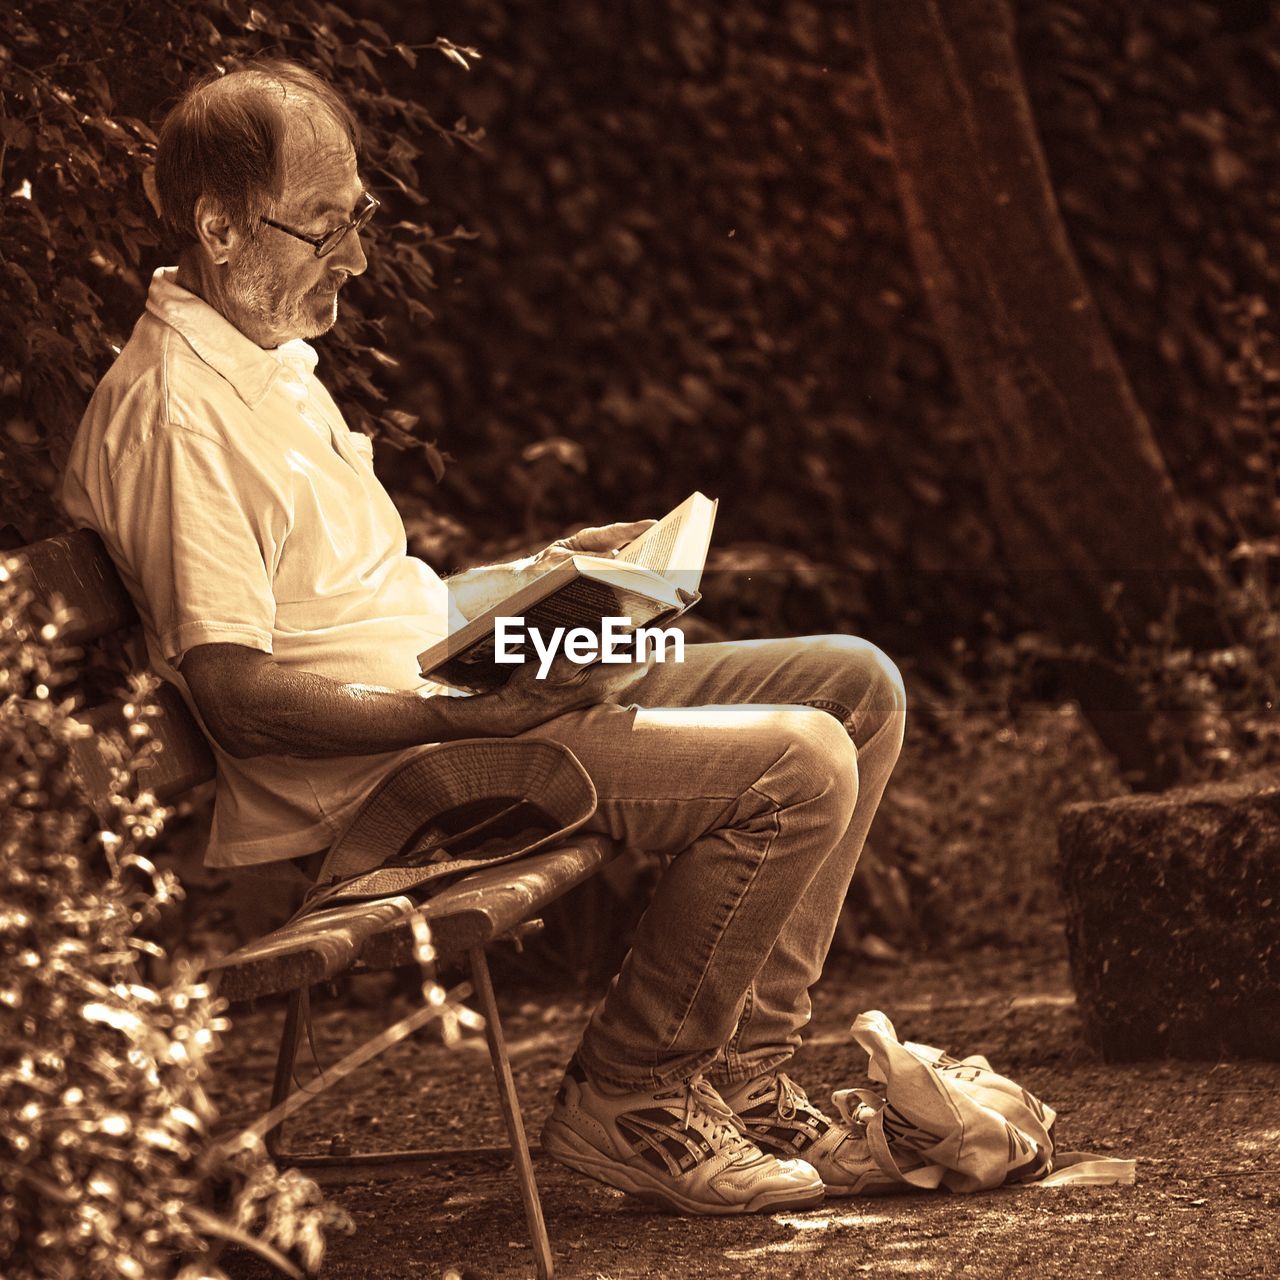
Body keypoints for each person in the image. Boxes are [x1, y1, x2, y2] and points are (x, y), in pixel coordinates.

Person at [61, 59, 907, 1216]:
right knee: (799, 759)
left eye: (355, 217)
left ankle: (746, 1081)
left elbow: (359, 606)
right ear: (217, 227)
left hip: (448, 715)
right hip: (386, 786)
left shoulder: (258, 362)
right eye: (324, 226)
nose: (352, 255)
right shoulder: (178, 415)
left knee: (854, 685)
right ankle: (635, 1097)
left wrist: (548, 576)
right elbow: (238, 697)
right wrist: (471, 710)